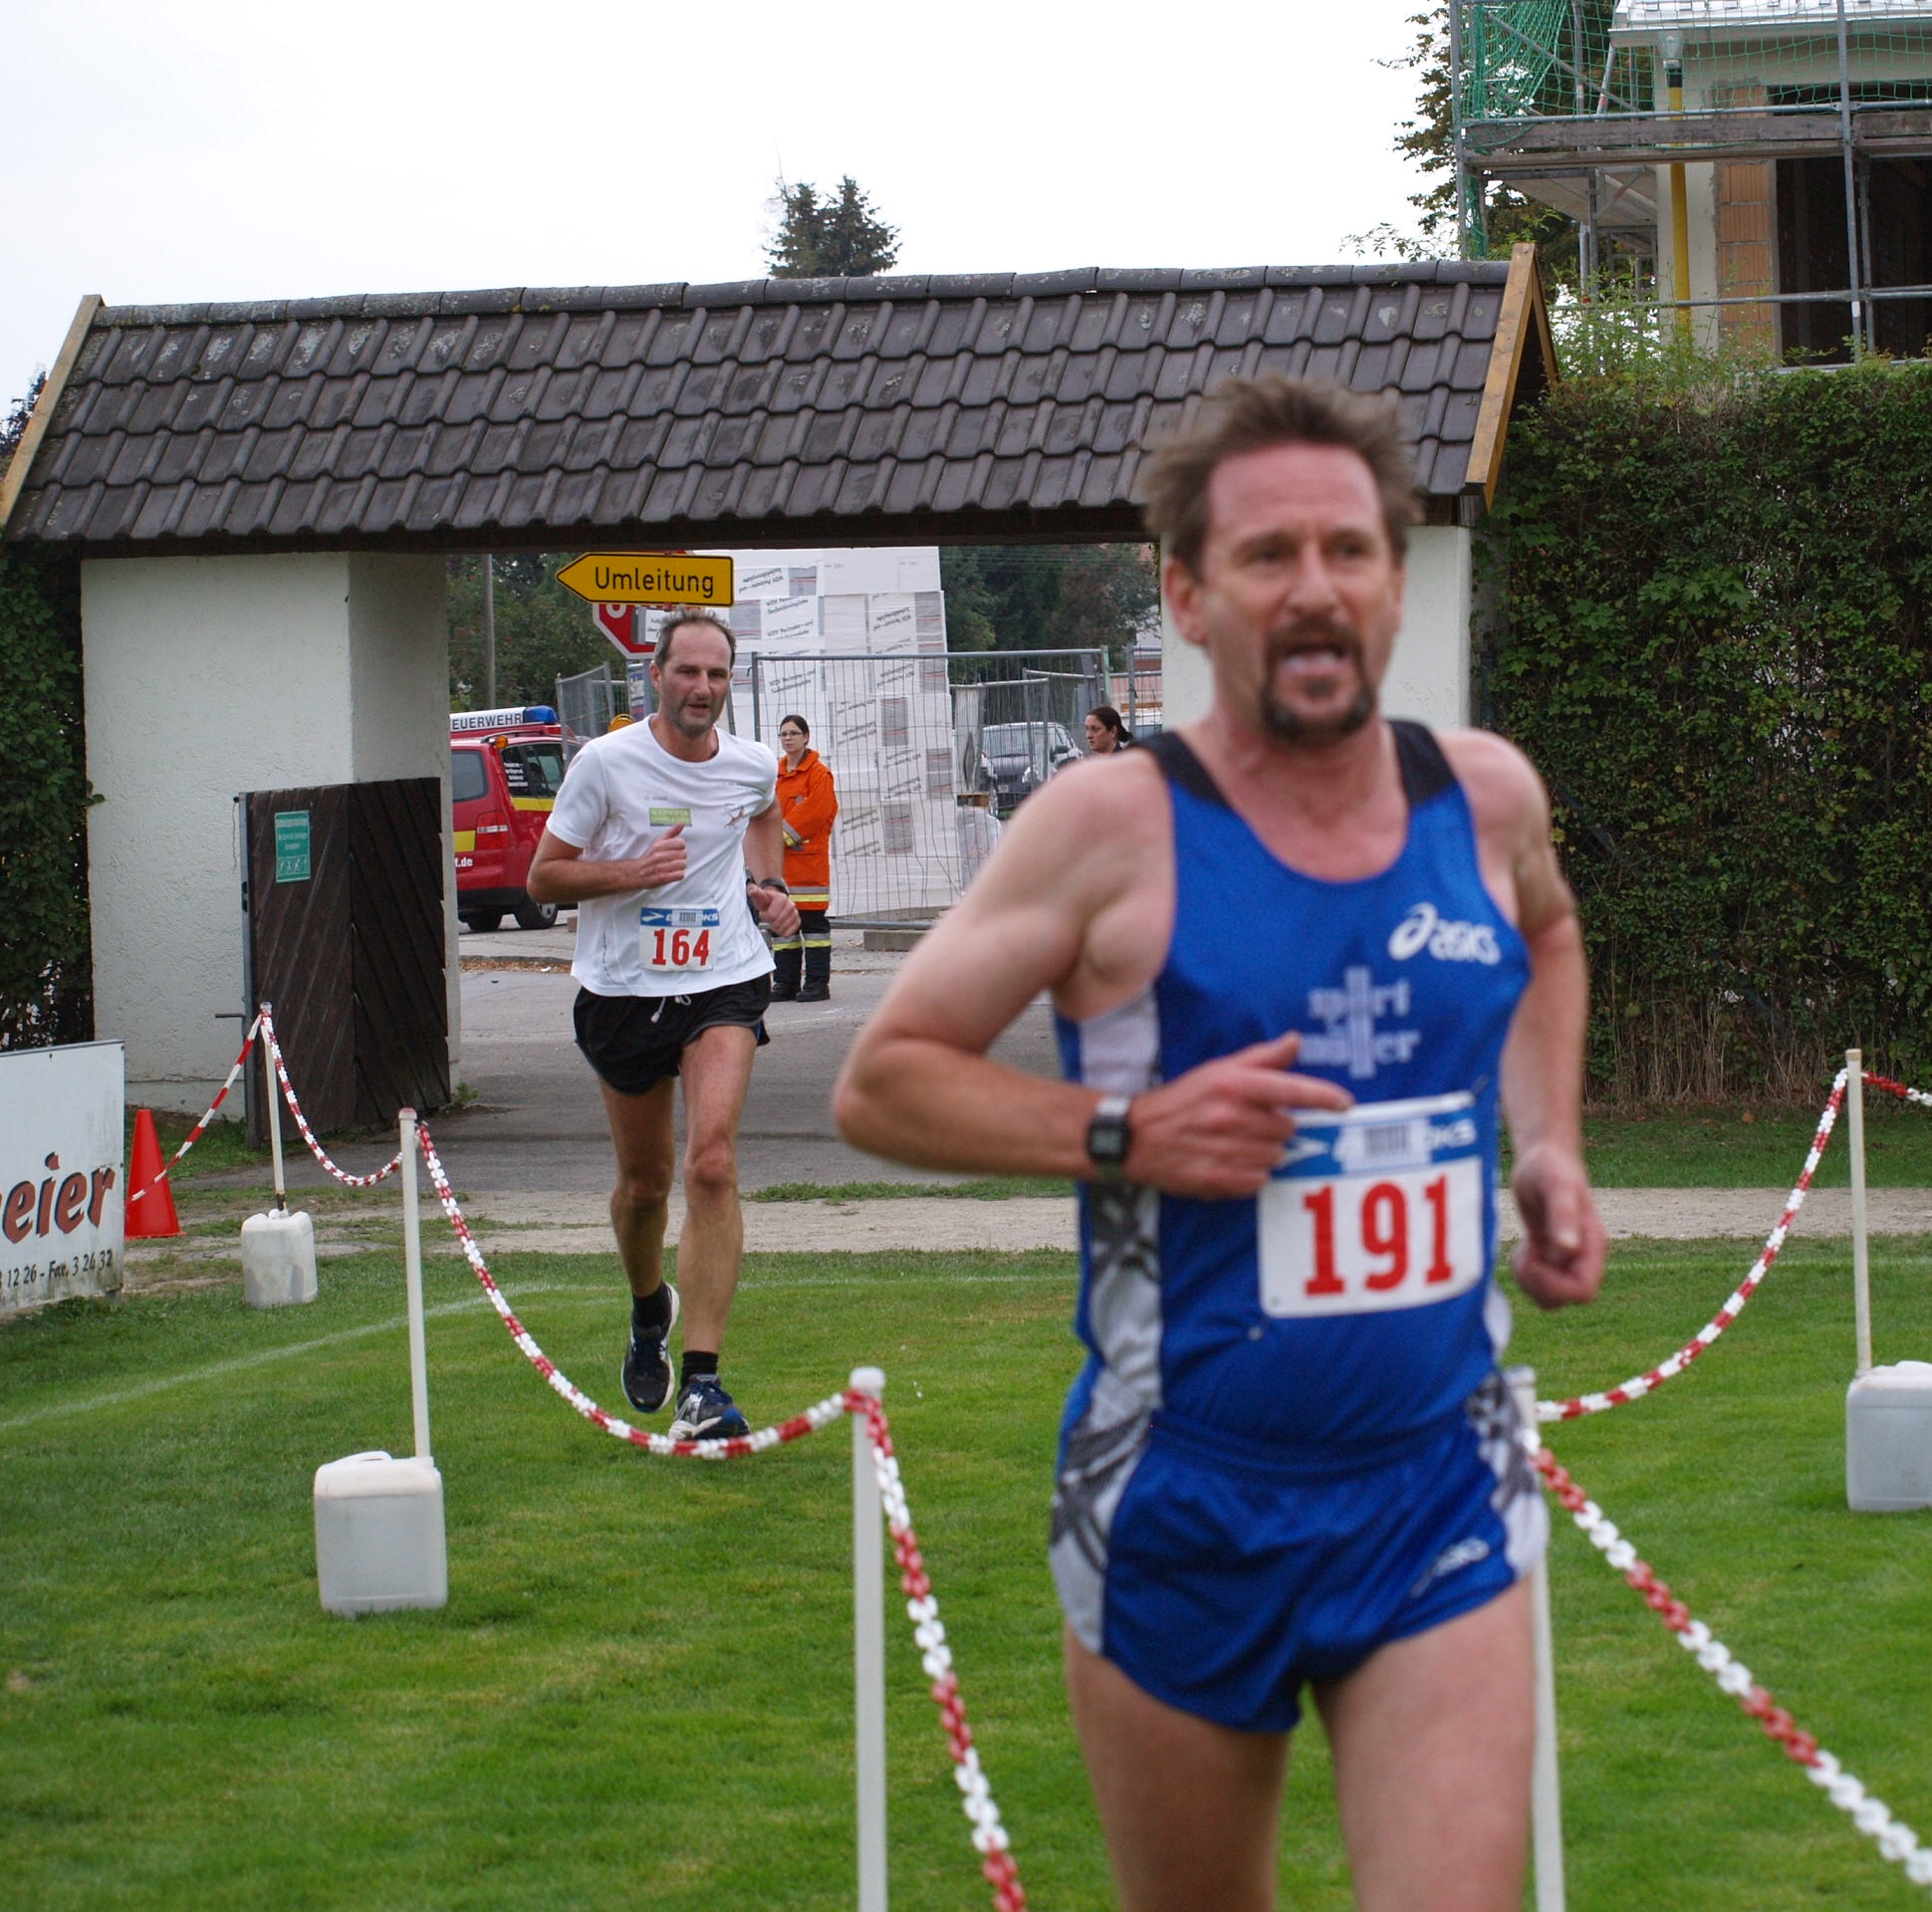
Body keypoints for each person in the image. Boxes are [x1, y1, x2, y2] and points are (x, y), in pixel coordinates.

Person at [835, 374, 1606, 1912]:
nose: (1313, 587)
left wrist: (1549, 1145)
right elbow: (884, 1083)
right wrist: (1127, 1129)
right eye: (1267, 555)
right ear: (1188, 596)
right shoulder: (1109, 828)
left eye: (1348, 549)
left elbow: (1551, 935)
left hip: (1437, 1481)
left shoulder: (1484, 797)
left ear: (1394, 582)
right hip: (1181, 1496)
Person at [527, 611, 802, 1442]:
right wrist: (630, 872)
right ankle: (650, 1308)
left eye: (717, 675)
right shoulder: (605, 764)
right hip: (622, 991)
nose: (702, 689)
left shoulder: (751, 763)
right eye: (687, 672)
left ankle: (703, 1385)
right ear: (656, 675)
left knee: (711, 1163)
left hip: (724, 980)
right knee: (644, 1186)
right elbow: (543, 879)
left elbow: (763, 813)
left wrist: (768, 886)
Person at [772, 713, 839, 1003]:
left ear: (806, 737)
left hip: (808, 865)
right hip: (780, 865)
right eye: (784, 734)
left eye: (794, 733)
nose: (788, 738)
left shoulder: (818, 774)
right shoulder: (775, 774)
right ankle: (785, 982)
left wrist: (778, 837)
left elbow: (817, 811)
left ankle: (817, 983)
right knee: (782, 926)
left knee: (813, 928)